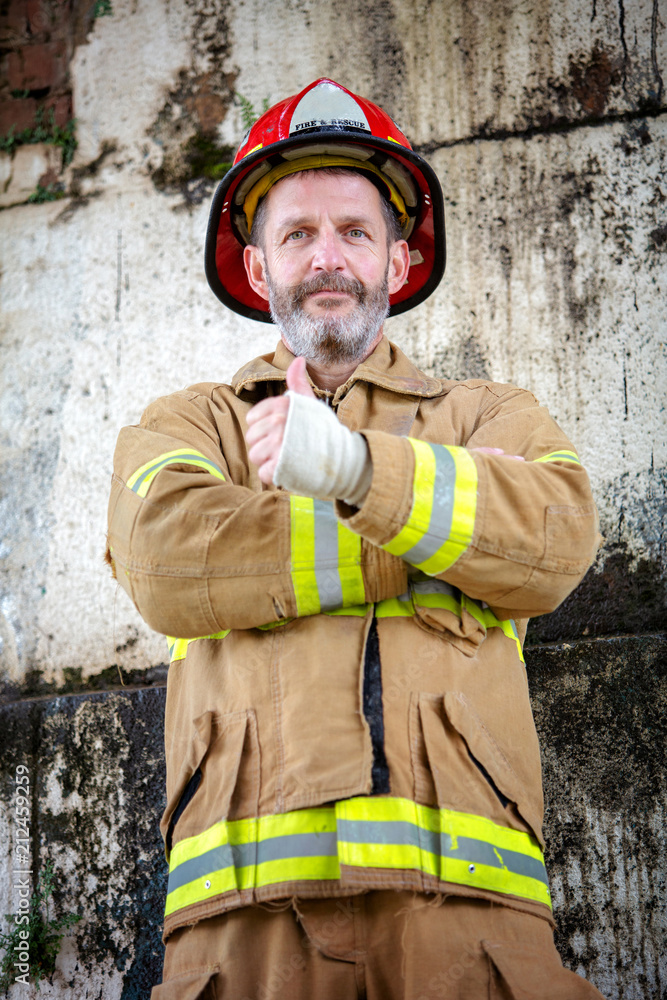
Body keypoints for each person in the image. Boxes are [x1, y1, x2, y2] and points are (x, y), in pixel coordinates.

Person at [106, 79, 605, 999]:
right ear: (259, 269)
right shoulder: (189, 425)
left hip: (467, 923)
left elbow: (556, 537)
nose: (327, 258)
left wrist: (349, 470)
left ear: (397, 262)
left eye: (354, 232)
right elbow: (164, 559)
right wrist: (428, 524)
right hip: (241, 936)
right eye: (297, 234)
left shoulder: (491, 411)